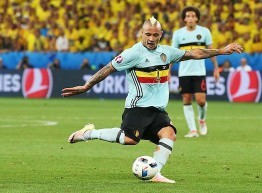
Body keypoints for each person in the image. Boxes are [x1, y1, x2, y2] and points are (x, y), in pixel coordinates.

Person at [62, 17, 243, 184]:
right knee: (130, 140)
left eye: (155, 35)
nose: (151, 38)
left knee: (169, 134)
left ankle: (155, 173)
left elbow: (195, 53)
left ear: (160, 35)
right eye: (148, 34)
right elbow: (108, 68)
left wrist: (221, 51)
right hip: (138, 106)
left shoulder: (166, 52)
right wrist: (87, 86)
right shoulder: (133, 53)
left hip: (157, 109)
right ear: (142, 33)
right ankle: (89, 133)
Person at [171, 6, 219, 138]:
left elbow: (211, 51)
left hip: (199, 72)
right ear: (184, 19)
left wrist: (216, 68)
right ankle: (193, 130)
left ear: (197, 18)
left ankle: (202, 120)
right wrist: (168, 71)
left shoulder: (204, 32)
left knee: (201, 101)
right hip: (184, 73)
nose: (191, 18)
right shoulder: (178, 34)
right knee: (186, 99)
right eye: (188, 16)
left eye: (193, 16)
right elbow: (172, 54)